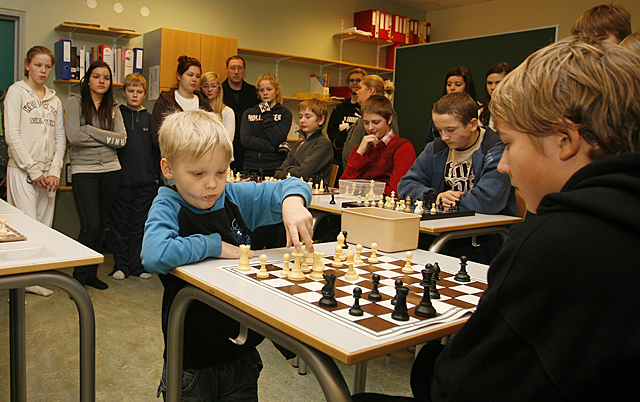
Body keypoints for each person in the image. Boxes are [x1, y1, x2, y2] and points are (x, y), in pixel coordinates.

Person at [358, 37, 640, 402]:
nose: (504, 164)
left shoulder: (550, 242)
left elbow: (464, 384)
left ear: (566, 141)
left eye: (508, 143)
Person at [141, 109, 314, 401]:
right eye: (198, 173)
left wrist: (294, 203)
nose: (212, 184)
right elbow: (154, 254)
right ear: (168, 169)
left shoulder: (232, 196)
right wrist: (215, 245)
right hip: (191, 360)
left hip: (242, 354)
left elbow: (293, 185)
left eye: (221, 172)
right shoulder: (168, 204)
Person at [3, 45, 67, 297]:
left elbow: (60, 139)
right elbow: (13, 134)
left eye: (47, 66)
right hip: (22, 171)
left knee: (43, 227)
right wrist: (32, 169)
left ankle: (34, 276)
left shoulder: (54, 99)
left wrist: (53, 171)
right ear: (28, 65)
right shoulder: (16, 92)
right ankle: (21, 281)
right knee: (25, 227)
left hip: (47, 175)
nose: (43, 70)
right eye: (38, 65)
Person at [398, 92, 515, 215]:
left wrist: (449, 201)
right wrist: (435, 197)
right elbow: (406, 185)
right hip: (444, 227)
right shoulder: (437, 147)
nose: (444, 137)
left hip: (487, 230)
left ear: (473, 125)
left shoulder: (496, 151)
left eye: (451, 130)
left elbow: (488, 201)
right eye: (439, 130)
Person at [65, 60, 127, 289]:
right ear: (88, 79)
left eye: (106, 77)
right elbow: (73, 136)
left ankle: (91, 275)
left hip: (111, 170)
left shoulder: (114, 106)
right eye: (97, 76)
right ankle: (78, 279)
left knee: (101, 225)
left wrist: (89, 129)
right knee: (89, 225)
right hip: (84, 170)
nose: (102, 81)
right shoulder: (75, 102)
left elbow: (121, 140)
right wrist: (105, 137)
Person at [108, 73, 158, 281]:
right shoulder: (116, 115)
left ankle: (137, 265)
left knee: (140, 225)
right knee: (120, 226)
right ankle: (121, 265)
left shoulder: (150, 118)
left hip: (146, 183)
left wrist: (155, 176)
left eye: (139, 92)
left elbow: (156, 149)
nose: (135, 95)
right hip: (121, 182)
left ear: (145, 94)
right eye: (131, 91)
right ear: (124, 93)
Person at [341, 95, 415, 196]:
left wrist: (362, 190)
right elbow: (344, 187)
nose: (370, 128)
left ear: (389, 120)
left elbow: (396, 191)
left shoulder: (402, 147)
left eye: (376, 122)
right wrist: (359, 153)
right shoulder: (360, 149)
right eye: (366, 123)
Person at [150, 55, 211, 149]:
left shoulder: (203, 102)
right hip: (173, 157)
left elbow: (212, 134)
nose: (194, 79)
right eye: (190, 75)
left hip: (199, 157)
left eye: (198, 76)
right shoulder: (165, 101)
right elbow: (157, 136)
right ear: (179, 76)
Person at [240, 73, 293, 177]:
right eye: (261, 90)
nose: (265, 93)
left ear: (277, 91)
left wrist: (266, 113)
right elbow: (245, 140)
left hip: (274, 167)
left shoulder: (285, 113)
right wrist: (274, 148)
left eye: (269, 89)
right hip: (251, 166)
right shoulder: (249, 112)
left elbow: (277, 138)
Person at [341, 75, 398, 170]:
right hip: (353, 170)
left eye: (360, 88)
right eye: (366, 122)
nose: (356, 92)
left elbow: (390, 145)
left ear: (370, 91)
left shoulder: (386, 112)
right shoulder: (364, 112)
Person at [274, 98, 333, 182]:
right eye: (300, 116)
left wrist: (288, 170)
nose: (302, 120)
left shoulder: (323, 143)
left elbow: (303, 172)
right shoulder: (298, 145)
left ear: (321, 120)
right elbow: (278, 173)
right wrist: (294, 170)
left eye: (308, 117)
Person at [222, 56, 260, 171]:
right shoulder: (219, 92)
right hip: (225, 147)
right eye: (233, 68)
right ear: (226, 70)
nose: (236, 72)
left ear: (245, 70)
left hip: (248, 149)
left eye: (240, 68)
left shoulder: (255, 93)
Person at [327, 68, 367, 176]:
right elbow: (331, 129)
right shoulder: (339, 108)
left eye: (358, 80)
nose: (354, 83)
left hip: (361, 157)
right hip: (340, 158)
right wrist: (339, 143)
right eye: (351, 80)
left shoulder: (368, 109)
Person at [424, 66, 477, 144]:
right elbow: (428, 141)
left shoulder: (478, 110)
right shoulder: (439, 111)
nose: (452, 88)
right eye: (449, 84)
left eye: (458, 84)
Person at [200, 71, 235, 142]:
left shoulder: (227, 112)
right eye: (205, 86)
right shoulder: (197, 110)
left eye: (213, 86)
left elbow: (228, 141)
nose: (209, 90)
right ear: (201, 89)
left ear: (219, 89)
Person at [478, 62, 512, 129]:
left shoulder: (520, 111)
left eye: (498, 82)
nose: (493, 87)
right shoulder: (481, 114)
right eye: (490, 83)